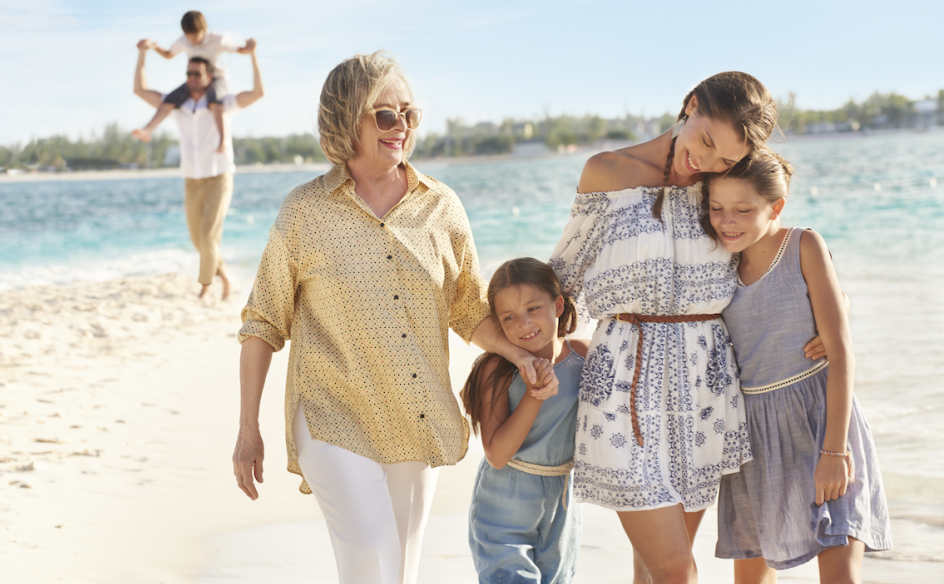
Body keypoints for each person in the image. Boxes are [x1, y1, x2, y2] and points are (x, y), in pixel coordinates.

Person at [231, 51, 552, 584]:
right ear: (345, 118)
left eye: (409, 113)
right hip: (333, 414)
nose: (400, 125)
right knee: (371, 557)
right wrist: (248, 430)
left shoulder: (442, 207)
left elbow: (469, 308)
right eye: (384, 114)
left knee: (398, 573)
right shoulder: (305, 212)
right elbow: (263, 321)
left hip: (414, 414)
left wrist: (520, 355)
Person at [549, 72, 779, 584]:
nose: (707, 163)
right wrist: (523, 350)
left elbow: (772, 257)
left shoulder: (723, 190)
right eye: (706, 142)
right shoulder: (607, 171)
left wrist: (833, 306)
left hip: (705, 398)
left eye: (724, 160)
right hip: (622, 394)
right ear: (690, 105)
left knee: (653, 570)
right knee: (676, 569)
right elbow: (560, 281)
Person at [703, 151, 891, 582]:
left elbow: (841, 353)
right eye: (716, 208)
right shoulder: (716, 263)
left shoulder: (803, 246)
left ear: (776, 207)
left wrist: (833, 451)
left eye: (743, 209)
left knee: (840, 569)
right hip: (754, 435)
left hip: (823, 420)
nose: (727, 221)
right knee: (751, 575)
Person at [461, 258, 589, 584]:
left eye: (533, 308)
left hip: (562, 504)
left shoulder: (584, 358)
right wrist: (535, 393)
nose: (524, 323)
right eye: (509, 317)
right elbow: (497, 455)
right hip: (504, 504)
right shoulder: (497, 370)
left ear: (558, 304)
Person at [131, 38, 264, 299]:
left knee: (208, 235)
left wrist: (253, 56)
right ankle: (224, 274)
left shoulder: (223, 103)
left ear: (209, 76)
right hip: (192, 179)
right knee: (197, 239)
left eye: (197, 73)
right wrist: (142, 55)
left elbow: (258, 93)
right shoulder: (177, 106)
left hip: (219, 177)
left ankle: (205, 286)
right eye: (188, 73)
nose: (191, 77)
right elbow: (140, 90)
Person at [133, 10, 255, 151]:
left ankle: (222, 142)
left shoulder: (218, 40)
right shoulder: (183, 41)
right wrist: (153, 46)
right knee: (171, 99)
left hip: (217, 79)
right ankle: (148, 129)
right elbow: (168, 54)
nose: (192, 41)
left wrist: (250, 45)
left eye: (195, 37)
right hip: (195, 79)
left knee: (215, 100)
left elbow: (242, 50)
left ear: (204, 29)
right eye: (188, 37)